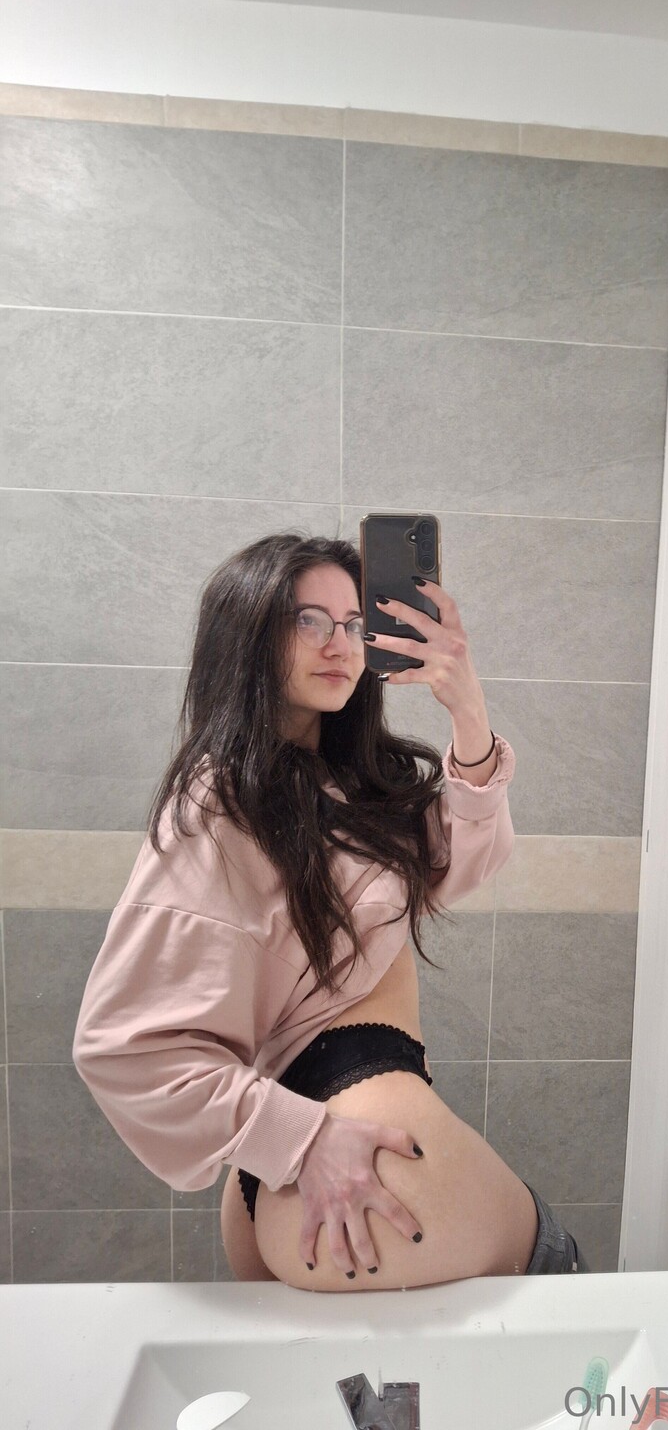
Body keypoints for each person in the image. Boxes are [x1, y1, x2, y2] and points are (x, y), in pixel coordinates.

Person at [72, 532, 587, 1291]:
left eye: (352, 624)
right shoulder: (221, 803)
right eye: (307, 620)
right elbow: (120, 1049)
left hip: (316, 1158)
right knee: (559, 1297)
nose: (338, 643)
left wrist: (467, 707)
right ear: (249, 632)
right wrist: (305, 1141)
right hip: (333, 1147)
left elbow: (462, 859)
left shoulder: (336, 786)